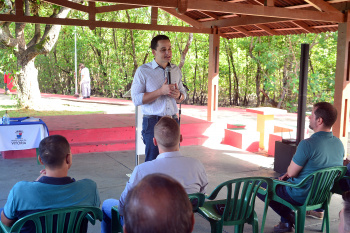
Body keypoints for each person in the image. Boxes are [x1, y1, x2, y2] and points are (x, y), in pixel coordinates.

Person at [101, 116, 208, 233]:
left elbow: (123, 206)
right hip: (179, 223)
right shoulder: (196, 165)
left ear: (154, 141)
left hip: (147, 226)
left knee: (107, 205)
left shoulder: (142, 170)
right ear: (181, 138)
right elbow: (201, 195)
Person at [258, 102, 344, 233]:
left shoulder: (307, 144)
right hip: (322, 194)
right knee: (282, 178)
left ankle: (288, 217)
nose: (309, 117)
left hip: (300, 194)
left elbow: (291, 173)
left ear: (319, 120)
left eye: (311, 114)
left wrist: (288, 173)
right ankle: (285, 224)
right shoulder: (339, 144)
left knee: (259, 185)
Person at [0, 135, 100, 232]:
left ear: (40, 160)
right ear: (68, 158)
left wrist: (36, 183)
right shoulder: (89, 188)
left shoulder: (20, 190)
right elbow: (94, 215)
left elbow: (6, 222)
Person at [131, 35, 187, 162]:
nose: (168, 53)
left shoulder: (175, 69)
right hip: (153, 122)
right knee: (152, 162)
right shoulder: (143, 71)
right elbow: (136, 99)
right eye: (163, 50)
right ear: (153, 52)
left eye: (170, 49)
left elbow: (183, 94)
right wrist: (160, 91)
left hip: (173, 121)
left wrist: (179, 95)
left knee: (173, 162)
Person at [123, 173, 194, 233]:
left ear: (125, 230)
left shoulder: (139, 169)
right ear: (192, 222)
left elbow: (120, 207)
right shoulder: (196, 165)